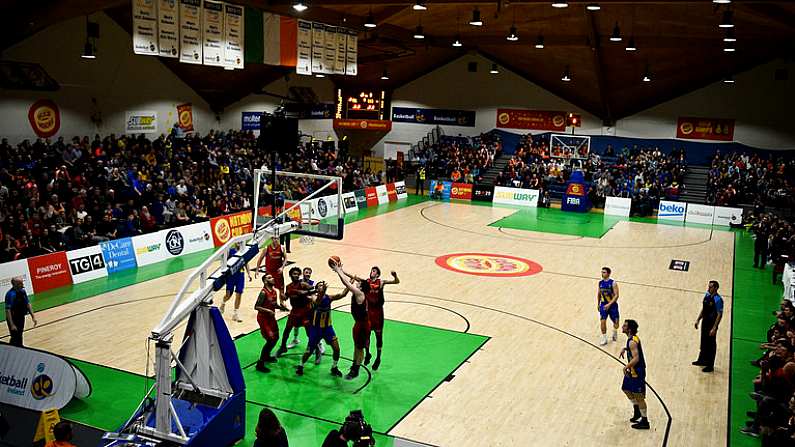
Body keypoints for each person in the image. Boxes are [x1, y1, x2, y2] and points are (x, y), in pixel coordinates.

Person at [340, 266, 400, 370]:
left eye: (374, 271)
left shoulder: (381, 282)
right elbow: (353, 276)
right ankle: (367, 353)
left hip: (378, 312)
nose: (372, 272)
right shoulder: (366, 282)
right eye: (371, 270)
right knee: (366, 334)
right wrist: (341, 270)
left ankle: (378, 358)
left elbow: (396, 282)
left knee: (378, 336)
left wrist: (395, 276)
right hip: (368, 312)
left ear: (377, 274)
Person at [295, 281, 347, 377]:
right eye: (319, 286)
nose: (322, 287)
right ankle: (300, 365)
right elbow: (318, 301)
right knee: (309, 351)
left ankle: (334, 367)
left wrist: (348, 285)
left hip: (328, 328)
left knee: (336, 349)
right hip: (316, 329)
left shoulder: (329, 297)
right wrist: (323, 291)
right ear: (316, 289)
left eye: (322, 285)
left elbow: (342, 294)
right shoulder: (313, 297)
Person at [331, 262, 369, 380]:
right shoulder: (360, 292)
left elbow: (346, 283)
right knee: (357, 346)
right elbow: (349, 281)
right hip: (359, 323)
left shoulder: (360, 293)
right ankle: (354, 365)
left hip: (363, 325)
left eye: (358, 283)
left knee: (359, 348)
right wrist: (341, 270)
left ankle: (356, 370)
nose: (356, 283)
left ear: (361, 287)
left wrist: (338, 270)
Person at [275, 268, 313, 357]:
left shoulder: (303, 284)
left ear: (299, 275)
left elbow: (313, 290)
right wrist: (281, 292)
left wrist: (303, 293)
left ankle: (315, 348)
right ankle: (283, 347)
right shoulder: (288, 286)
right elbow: (285, 297)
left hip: (305, 311)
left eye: (297, 274)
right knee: (286, 330)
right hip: (294, 311)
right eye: (294, 274)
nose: (295, 275)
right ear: (290, 275)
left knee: (309, 332)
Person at [619, 319, 650, 430]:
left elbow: (636, 358)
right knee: (626, 388)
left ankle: (645, 421)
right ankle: (637, 411)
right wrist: (625, 348)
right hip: (632, 371)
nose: (622, 327)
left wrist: (626, 367)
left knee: (639, 397)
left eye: (625, 326)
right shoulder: (632, 339)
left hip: (637, 372)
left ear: (629, 329)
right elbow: (633, 350)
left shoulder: (632, 341)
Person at [693, 280, 724, 373]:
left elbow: (719, 314)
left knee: (711, 345)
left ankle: (710, 365)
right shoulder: (707, 295)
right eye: (709, 286)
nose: (708, 288)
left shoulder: (718, 300)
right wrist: (698, 319)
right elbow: (704, 309)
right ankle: (702, 360)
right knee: (703, 341)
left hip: (711, 324)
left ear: (715, 288)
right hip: (705, 322)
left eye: (711, 287)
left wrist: (714, 327)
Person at [255, 274, 282, 373]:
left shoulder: (274, 291)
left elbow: (273, 304)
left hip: (271, 318)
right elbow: (257, 307)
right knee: (270, 339)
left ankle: (266, 356)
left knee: (276, 337)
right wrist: (268, 311)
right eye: (269, 278)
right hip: (263, 319)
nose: (273, 278)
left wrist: (281, 307)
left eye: (272, 277)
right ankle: (260, 363)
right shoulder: (263, 292)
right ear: (265, 281)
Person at [220, 242, 251, 322]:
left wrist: (249, 274)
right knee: (228, 295)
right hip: (231, 276)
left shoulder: (243, 251)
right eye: (238, 242)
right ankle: (223, 303)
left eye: (240, 242)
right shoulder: (230, 251)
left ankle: (235, 314)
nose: (239, 243)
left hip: (240, 275)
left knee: (239, 294)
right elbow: (224, 262)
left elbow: (246, 262)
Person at [5, 277, 37, 347]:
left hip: (21, 316)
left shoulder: (22, 291)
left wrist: (33, 317)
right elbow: (8, 310)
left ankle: (19, 347)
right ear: (16, 284)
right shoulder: (10, 294)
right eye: (21, 283)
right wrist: (12, 324)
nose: (22, 284)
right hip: (13, 318)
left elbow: (28, 304)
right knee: (15, 336)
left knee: (20, 334)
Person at [256, 237, 286, 302]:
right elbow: (260, 259)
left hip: (278, 272)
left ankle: (282, 303)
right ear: (271, 239)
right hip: (269, 273)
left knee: (281, 288)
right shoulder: (267, 248)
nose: (276, 240)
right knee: (268, 288)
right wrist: (257, 270)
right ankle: (268, 301)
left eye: (277, 238)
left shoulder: (282, 247)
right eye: (274, 238)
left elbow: (286, 258)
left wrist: (282, 267)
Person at [597, 267, 620, 346]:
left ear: (608, 273)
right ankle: (604, 338)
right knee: (602, 321)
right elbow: (599, 294)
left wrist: (609, 304)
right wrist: (598, 304)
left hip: (612, 305)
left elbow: (616, 295)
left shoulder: (613, 283)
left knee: (616, 323)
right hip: (603, 305)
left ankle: (614, 331)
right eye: (602, 272)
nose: (602, 274)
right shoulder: (600, 283)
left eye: (604, 272)